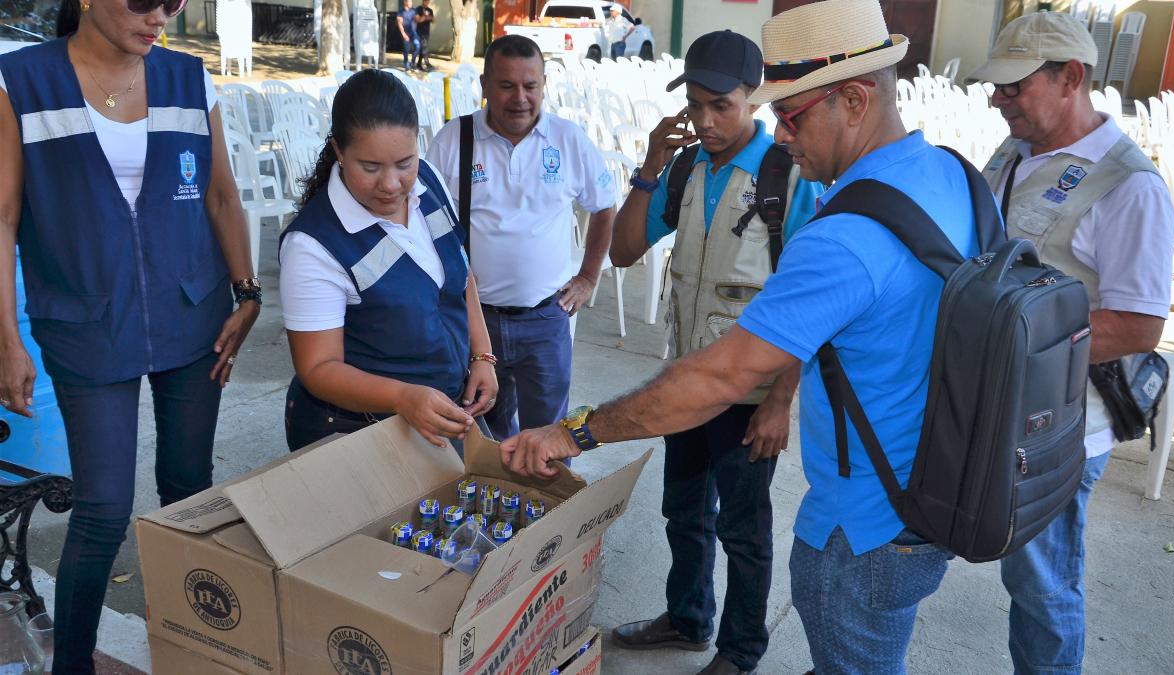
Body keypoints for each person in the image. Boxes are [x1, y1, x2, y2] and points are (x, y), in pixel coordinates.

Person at [500, 1, 987, 672]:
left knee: (761, 551)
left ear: (854, 99)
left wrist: (574, 431)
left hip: (864, 524)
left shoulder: (842, 228)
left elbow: (722, 375)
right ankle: (690, 614)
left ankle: (739, 646)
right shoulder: (951, 174)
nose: (782, 134)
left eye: (791, 115)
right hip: (928, 495)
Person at [0, 0, 260, 668]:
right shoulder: (21, 83)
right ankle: (74, 663)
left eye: (173, 3)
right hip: (85, 322)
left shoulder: (188, 79)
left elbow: (221, 196)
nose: (161, 19)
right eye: (145, 2)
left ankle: (196, 645)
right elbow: (3, 215)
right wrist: (7, 335)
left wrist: (248, 290)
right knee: (103, 507)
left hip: (192, 311)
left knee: (188, 493)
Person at [605, 29, 822, 675]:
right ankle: (688, 616)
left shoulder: (787, 174)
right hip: (689, 383)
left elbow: (808, 302)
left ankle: (739, 649)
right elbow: (621, 251)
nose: (704, 120)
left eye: (719, 106)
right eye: (695, 104)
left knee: (744, 532)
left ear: (752, 97)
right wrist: (647, 170)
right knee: (683, 510)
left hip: (749, 394)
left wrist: (781, 401)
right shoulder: (683, 169)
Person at [965, 12, 1174, 674]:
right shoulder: (1016, 150)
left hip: (1055, 431)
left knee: (1042, 587)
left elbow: (1139, 325)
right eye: (996, 88)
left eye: (1013, 88)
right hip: (994, 409)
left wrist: (1010, 350)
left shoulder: (1130, 187)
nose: (999, 102)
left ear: (1072, 78)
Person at [280, 69, 497, 452]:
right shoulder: (312, 244)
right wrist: (403, 397)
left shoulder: (427, 180)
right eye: (370, 167)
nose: (392, 184)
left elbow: (461, 276)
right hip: (360, 433)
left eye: (404, 163)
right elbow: (318, 368)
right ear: (339, 153)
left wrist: (481, 355)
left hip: (441, 413)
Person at [425, 35, 616, 443]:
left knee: (548, 440)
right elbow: (423, 220)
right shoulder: (454, 140)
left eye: (531, 86)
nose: (520, 98)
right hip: (476, 322)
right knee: (480, 439)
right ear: (484, 85)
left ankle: (548, 509)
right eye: (507, 85)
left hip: (545, 320)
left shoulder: (567, 140)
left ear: (544, 84)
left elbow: (604, 206)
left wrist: (588, 276)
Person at [397, 0, 420, 72]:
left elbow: (418, 19)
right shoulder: (401, 11)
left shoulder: (414, 10)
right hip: (405, 33)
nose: (411, 3)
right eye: (409, 2)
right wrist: (403, 34)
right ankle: (406, 64)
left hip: (413, 32)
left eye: (411, 2)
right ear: (405, 2)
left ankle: (412, 62)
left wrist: (421, 16)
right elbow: (399, 23)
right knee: (406, 49)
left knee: (417, 46)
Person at [414, 0, 434, 71]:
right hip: (419, 32)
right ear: (423, 1)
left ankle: (419, 64)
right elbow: (418, 20)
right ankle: (427, 63)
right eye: (425, 1)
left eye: (428, 1)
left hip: (426, 32)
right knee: (423, 48)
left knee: (423, 48)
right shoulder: (418, 9)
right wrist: (425, 17)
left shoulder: (430, 10)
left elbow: (433, 20)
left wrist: (427, 17)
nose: (427, 2)